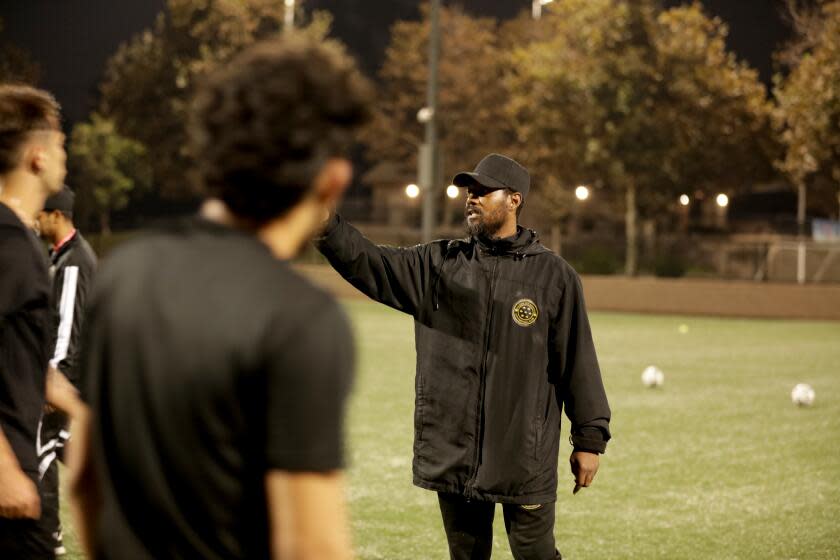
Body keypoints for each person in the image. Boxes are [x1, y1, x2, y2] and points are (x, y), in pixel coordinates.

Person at [68, 36, 371, 560]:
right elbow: (309, 547)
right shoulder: (300, 318)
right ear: (333, 180)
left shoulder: (125, 272)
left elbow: (85, 483)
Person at [316, 153, 612, 560]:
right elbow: (370, 263)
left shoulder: (553, 277)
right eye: (469, 192)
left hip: (523, 455)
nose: (471, 199)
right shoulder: (438, 266)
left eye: (483, 191)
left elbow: (577, 360)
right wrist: (328, 227)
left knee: (537, 555)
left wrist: (589, 439)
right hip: (455, 450)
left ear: (514, 200)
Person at [0, 84, 66, 559]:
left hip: (23, 468)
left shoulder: (21, 240)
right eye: (62, 144)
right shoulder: (8, 245)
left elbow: (24, 359)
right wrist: (2, 468)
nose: (67, 156)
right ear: (38, 157)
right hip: (9, 482)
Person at [35, 184, 97, 555]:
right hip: (69, 381)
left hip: (67, 380)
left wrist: (54, 382)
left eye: (41, 215)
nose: (36, 221)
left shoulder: (74, 260)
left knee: (38, 444)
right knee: (71, 448)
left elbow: (67, 328)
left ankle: (48, 536)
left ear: (57, 216)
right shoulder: (59, 255)